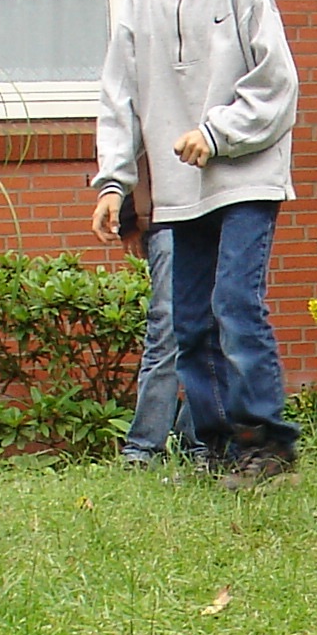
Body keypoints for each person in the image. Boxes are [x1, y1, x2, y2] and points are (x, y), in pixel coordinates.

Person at [88, 0, 300, 488]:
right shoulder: (138, 4)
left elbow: (277, 85)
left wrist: (217, 133)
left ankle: (265, 446)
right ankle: (213, 448)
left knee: (236, 304)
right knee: (190, 323)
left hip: (246, 179)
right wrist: (114, 182)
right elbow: (117, 99)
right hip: (181, 194)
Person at [113, 176, 191, 466]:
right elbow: (133, 143)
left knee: (214, 329)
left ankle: (199, 444)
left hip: (219, 216)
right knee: (168, 330)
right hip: (166, 218)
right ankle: (144, 447)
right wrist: (130, 219)